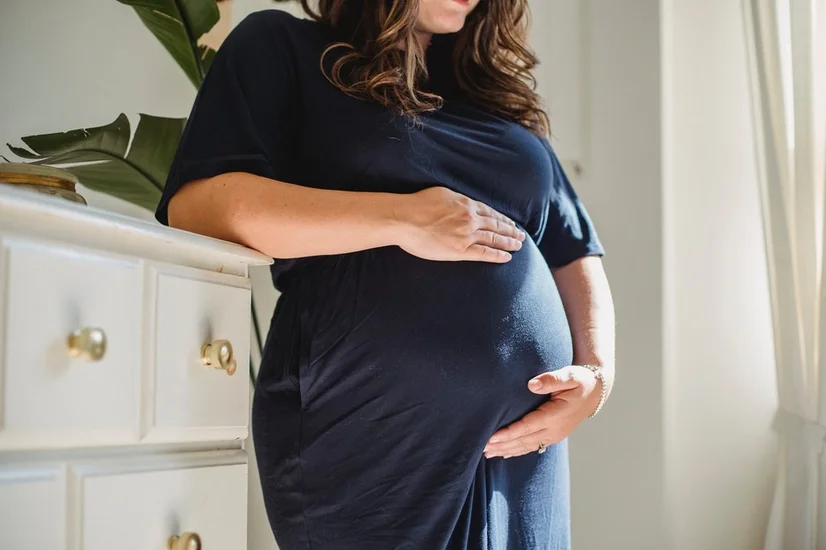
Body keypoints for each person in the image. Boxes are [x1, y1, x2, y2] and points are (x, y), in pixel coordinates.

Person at [156, 0, 616, 548]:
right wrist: (403, 218)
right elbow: (201, 206)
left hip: (520, 453)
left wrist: (596, 378)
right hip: (371, 434)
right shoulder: (284, 48)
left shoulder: (495, 98)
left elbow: (573, 248)